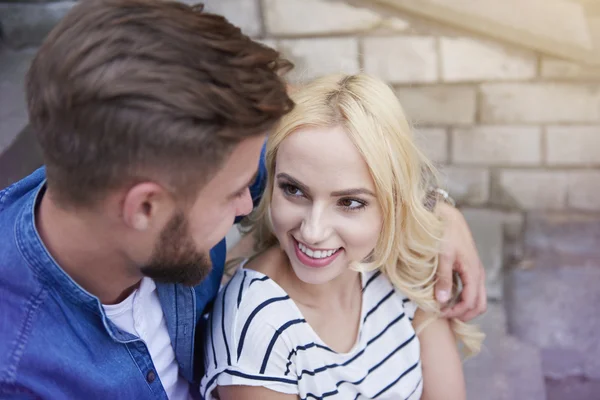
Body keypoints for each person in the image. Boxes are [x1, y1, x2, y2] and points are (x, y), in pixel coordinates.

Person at [0, 0, 485, 398]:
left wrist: (436, 209)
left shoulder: (171, 166)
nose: (246, 206)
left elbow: (343, 143)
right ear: (144, 208)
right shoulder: (22, 374)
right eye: (237, 191)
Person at [200, 73, 484, 400]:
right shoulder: (256, 327)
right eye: (294, 190)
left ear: (392, 202)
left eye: (349, 202)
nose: (313, 231)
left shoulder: (404, 267)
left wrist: (442, 211)